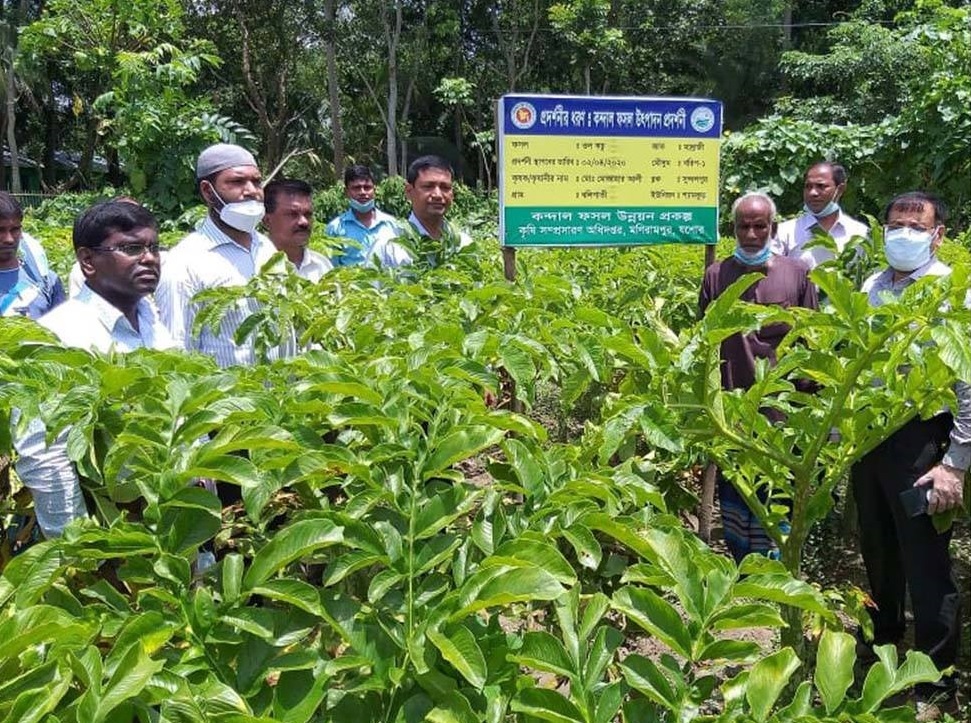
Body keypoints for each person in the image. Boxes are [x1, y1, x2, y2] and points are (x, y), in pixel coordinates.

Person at [851, 191, 966, 709]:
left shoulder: (953, 292)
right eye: (895, 224)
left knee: (926, 564)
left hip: (923, 441)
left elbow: (968, 384)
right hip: (870, 438)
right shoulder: (872, 285)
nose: (903, 234)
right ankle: (882, 654)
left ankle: (936, 679)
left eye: (915, 227)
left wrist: (954, 464)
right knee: (877, 551)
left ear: (938, 234)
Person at [14, 200, 172, 538]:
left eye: (154, 247)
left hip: (172, 515)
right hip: (110, 526)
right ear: (88, 261)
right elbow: (44, 453)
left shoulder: (155, 322)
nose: (149, 258)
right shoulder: (61, 334)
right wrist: (78, 546)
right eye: (132, 248)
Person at [700, 192, 819, 562]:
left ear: (772, 227)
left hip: (782, 411)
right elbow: (703, 341)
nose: (751, 233)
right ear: (733, 228)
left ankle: (775, 574)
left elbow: (812, 342)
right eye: (743, 226)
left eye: (759, 225)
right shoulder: (717, 275)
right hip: (733, 408)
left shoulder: (796, 274)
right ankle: (743, 572)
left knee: (777, 496)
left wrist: (809, 406)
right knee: (737, 493)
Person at [155, 143, 276, 367]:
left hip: (281, 395)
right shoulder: (185, 262)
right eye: (237, 182)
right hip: (226, 397)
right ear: (208, 192)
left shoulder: (267, 247)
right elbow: (177, 349)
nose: (251, 191)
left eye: (256, 181)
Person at [772, 161, 868, 270]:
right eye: (808, 186)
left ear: (840, 189)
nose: (813, 193)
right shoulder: (784, 233)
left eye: (821, 186)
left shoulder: (860, 234)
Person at [384, 154, 472, 265]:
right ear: (409, 191)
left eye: (445, 188)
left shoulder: (463, 245)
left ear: (452, 194)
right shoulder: (390, 245)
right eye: (428, 186)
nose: (438, 195)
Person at [326, 164, 408, 268]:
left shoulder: (393, 224)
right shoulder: (335, 228)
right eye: (356, 188)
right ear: (346, 192)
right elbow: (331, 270)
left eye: (367, 187)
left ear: (374, 189)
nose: (363, 192)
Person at [0, 191, 65, 319]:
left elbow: (63, 332)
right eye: (0, 230)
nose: (9, 239)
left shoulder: (46, 281)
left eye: (15, 230)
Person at [262, 179, 332, 282]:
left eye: (307, 214)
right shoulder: (257, 267)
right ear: (267, 221)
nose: (304, 222)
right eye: (292, 214)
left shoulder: (322, 265)